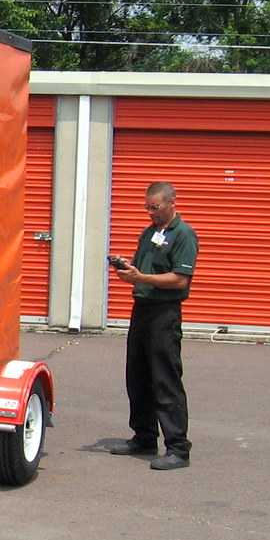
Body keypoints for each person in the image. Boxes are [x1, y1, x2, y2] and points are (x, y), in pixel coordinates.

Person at [108, 181, 197, 470]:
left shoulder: (183, 235)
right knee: (138, 376)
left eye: (155, 208)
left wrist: (142, 279)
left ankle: (178, 448)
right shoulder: (149, 233)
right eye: (147, 208)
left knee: (165, 379)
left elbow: (180, 279)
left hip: (164, 313)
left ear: (172, 203)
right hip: (142, 310)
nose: (150, 213)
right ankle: (144, 436)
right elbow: (140, 270)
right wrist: (127, 270)